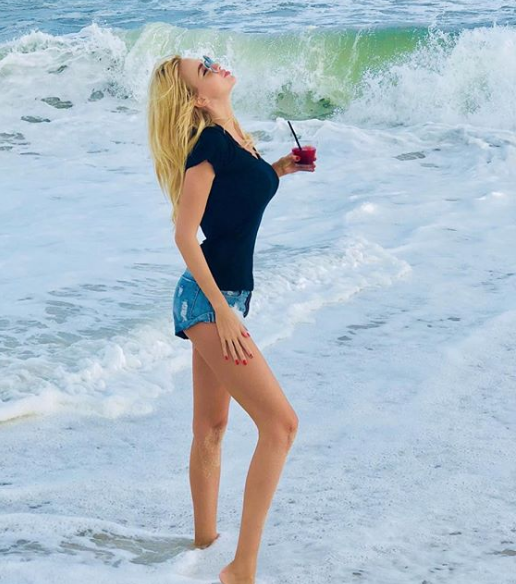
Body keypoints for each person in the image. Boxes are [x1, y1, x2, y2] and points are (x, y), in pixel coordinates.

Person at [147, 54, 316, 584]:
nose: (214, 64)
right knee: (281, 425)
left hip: (224, 297)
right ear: (199, 98)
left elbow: (235, 205)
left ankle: (203, 545)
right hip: (207, 300)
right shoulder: (209, 146)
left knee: (212, 428)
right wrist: (221, 311)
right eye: (204, 69)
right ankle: (240, 568)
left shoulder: (236, 139)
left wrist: (279, 170)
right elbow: (184, 234)